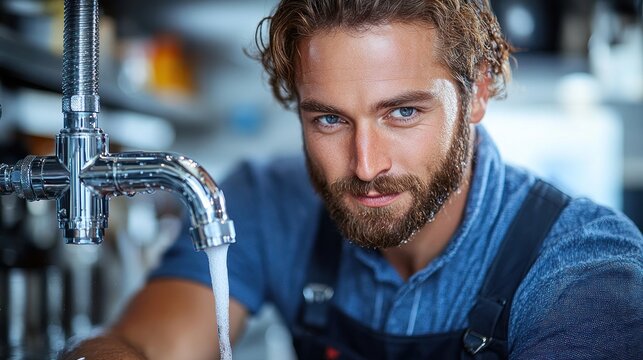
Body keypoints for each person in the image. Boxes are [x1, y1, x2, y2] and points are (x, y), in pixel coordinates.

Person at [63, 0, 643, 359]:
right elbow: (139, 346)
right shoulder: (265, 202)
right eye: (330, 119)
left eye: (403, 113)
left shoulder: (582, 265)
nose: (365, 166)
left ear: (479, 91)